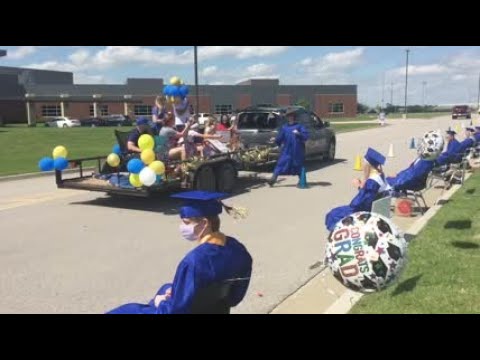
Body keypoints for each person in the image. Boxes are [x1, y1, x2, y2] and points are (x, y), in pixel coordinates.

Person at [106, 191, 253, 314]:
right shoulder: (239, 250)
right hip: (215, 309)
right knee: (166, 288)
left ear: (204, 223)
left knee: (128, 310)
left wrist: (161, 303)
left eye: (187, 222)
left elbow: (175, 311)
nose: (182, 227)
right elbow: (235, 298)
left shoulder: (195, 261)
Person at [325, 148, 388, 232]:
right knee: (335, 212)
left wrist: (359, 186)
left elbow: (360, 203)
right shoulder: (380, 176)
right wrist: (362, 187)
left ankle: (338, 235)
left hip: (363, 211)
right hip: (372, 208)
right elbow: (368, 196)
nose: (362, 165)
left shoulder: (372, 182)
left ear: (368, 165)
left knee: (333, 214)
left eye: (363, 163)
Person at [268, 109, 309, 187]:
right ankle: (273, 179)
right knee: (281, 162)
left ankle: (301, 180)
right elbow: (280, 137)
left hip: (297, 149)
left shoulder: (299, 126)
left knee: (297, 164)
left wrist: (299, 134)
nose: (290, 117)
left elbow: (306, 136)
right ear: (287, 117)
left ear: (294, 117)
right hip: (287, 149)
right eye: (289, 116)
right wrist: (275, 139)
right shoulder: (284, 127)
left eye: (291, 116)